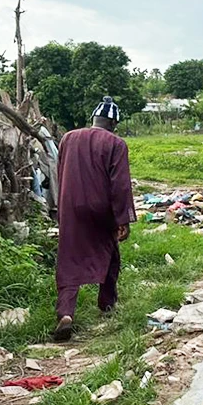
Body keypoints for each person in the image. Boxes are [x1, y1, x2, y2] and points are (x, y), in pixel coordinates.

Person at [52, 97, 136, 341]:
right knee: (109, 252)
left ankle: (66, 313)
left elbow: (60, 171)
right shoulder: (116, 143)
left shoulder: (68, 138)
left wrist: (61, 207)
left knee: (69, 258)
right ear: (113, 123)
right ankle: (107, 303)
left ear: (94, 119)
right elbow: (120, 185)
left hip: (70, 206)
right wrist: (124, 219)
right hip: (100, 208)